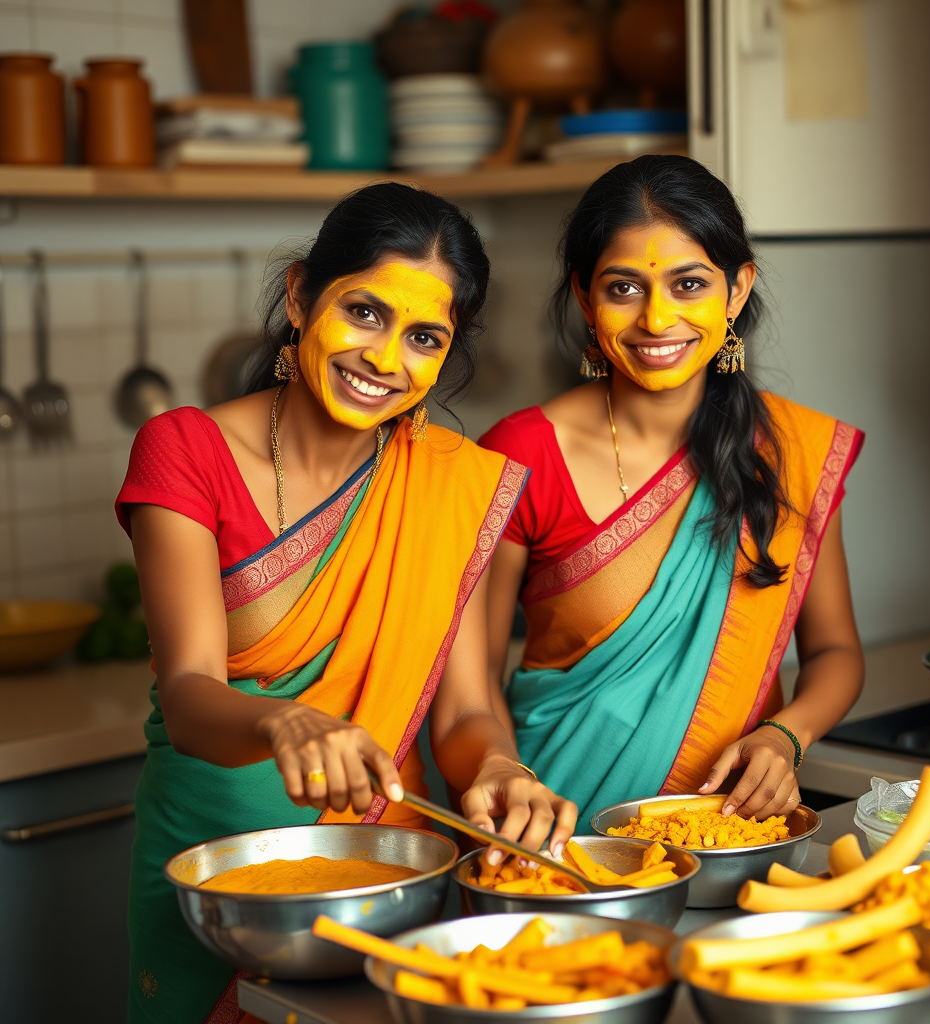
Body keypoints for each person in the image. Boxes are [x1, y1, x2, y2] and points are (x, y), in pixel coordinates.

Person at [115, 183, 577, 1024]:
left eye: (424, 338)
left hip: (382, 868)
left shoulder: (446, 481)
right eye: (364, 312)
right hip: (218, 875)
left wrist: (503, 768)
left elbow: (467, 710)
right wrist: (284, 722)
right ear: (299, 296)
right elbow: (187, 694)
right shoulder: (185, 449)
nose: (385, 358)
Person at [481, 155, 865, 832]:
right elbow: (467, 683)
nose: (658, 319)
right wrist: (503, 774)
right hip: (558, 831)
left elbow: (835, 653)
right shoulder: (522, 454)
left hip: (729, 828)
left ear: (737, 290)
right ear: (583, 298)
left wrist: (786, 736)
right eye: (623, 289)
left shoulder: (789, 452)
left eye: (689, 285)